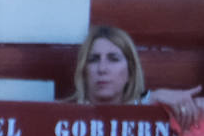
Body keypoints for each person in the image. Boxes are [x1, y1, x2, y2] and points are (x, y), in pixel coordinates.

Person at [69, 25, 201, 129]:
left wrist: (188, 107)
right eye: (93, 59)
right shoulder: (63, 115)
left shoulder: (150, 105)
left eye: (113, 59)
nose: (102, 69)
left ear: (131, 72)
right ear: (83, 71)